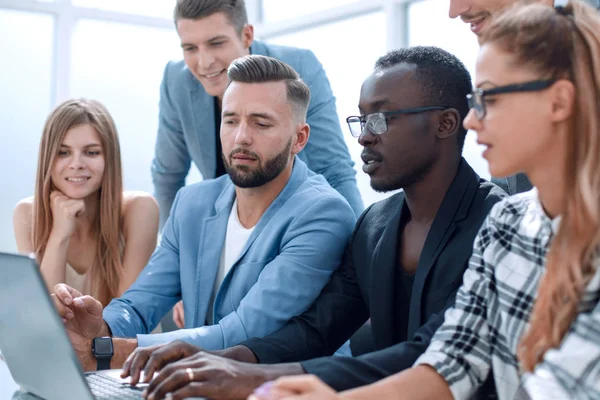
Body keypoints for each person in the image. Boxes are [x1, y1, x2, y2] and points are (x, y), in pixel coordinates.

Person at [250, 2, 600, 399]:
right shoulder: (505, 224)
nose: (472, 119)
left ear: (558, 102)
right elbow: (452, 360)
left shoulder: (492, 215)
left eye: (491, 99)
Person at [118, 46, 507, 400]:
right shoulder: (375, 225)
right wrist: (227, 358)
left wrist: (249, 376)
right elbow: (318, 328)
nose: (365, 137)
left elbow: (432, 353)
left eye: (382, 119)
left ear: (445, 123)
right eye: (363, 120)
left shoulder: (496, 222)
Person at [51, 55, 356, 372]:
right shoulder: (192, 204)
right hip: (201, 386)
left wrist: (109, 352)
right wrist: (100, 328)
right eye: (231, 120)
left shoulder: (323, 214)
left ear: (299, 138)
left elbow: (243, 332)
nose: (241, 137)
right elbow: (139, 303)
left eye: (261, 123)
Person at [153, 0, 363, 223]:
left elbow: (333, 168)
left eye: (216, 43)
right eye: (190, 48)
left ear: (246, 35)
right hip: (224, 225)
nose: (204, 63)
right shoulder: (176, 80)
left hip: (295, 220)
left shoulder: (299, 67)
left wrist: (359, 250)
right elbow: (167, 177)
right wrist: (173, 246)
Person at [13, 98, 159, 306]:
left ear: (109, 158)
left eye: (91, 152)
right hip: (61, 339)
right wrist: (60, 234)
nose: (76, 164)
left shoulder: (140, 209)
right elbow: (43, 317)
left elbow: (125, 316)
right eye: (63, 153)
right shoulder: (27, 213)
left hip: (120, 338)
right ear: (48, 158)